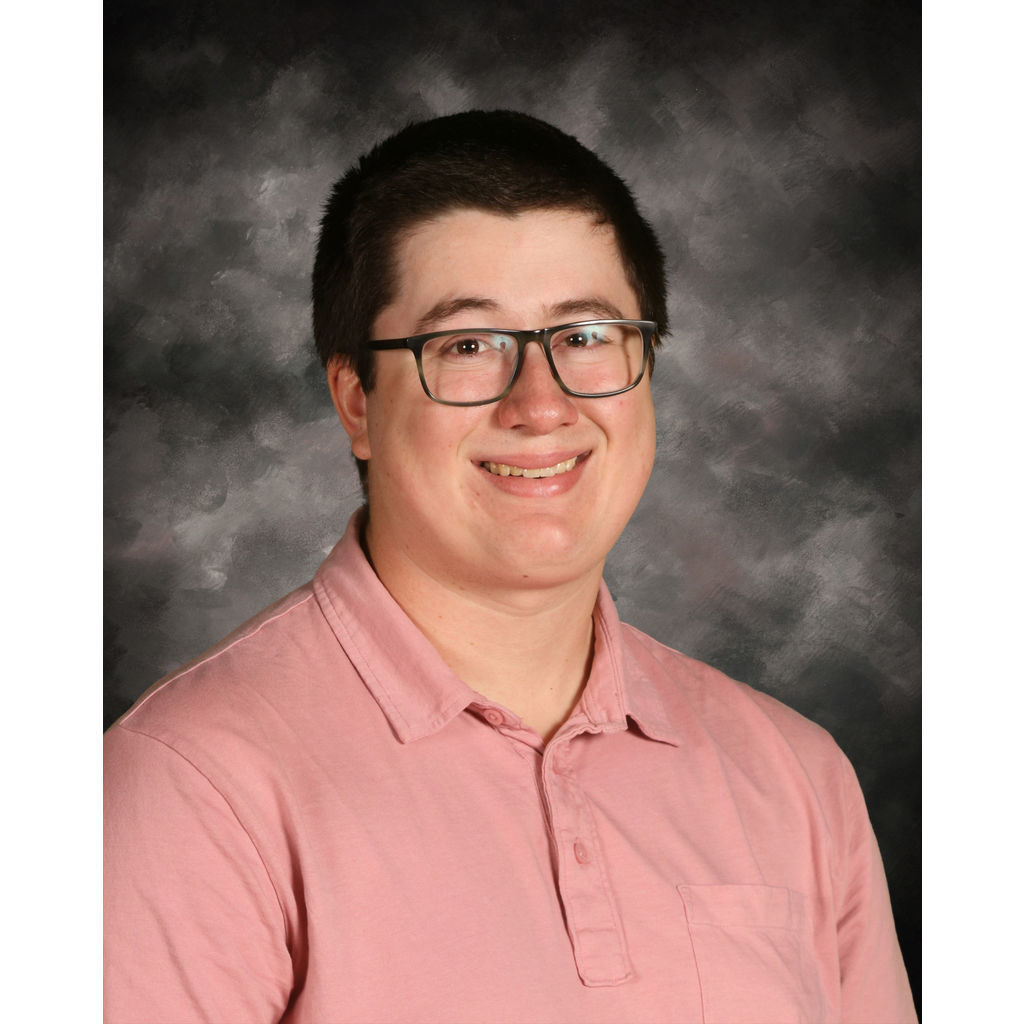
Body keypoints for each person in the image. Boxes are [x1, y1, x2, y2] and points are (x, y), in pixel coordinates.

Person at [104, 110, 916, 1023]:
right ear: (357, 401)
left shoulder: (798, 779)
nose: (541, 405)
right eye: (467, 346)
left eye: (586, 337)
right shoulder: (187, 787)